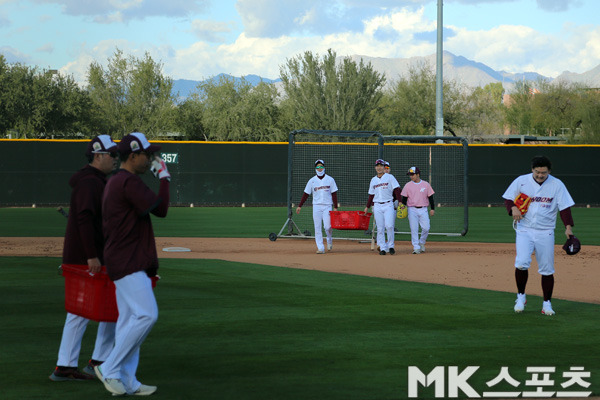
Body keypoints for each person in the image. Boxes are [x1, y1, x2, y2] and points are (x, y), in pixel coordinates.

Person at [95, 132, 171, 396]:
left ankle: (128, 381)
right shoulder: (127, 181)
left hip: (122, 259)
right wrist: (163, 177)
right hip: (127, 261)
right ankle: (110, 367)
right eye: (147, 154)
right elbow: (161, 209)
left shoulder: (119, 181)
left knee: (130, 322)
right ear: (134, 155)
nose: (151, 158)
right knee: (147, 315)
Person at [50, 135, 118, 382]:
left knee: (85, 312)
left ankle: (67, 365)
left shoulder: (93, 181)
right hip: (87, 258)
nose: (115, 159)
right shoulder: (90, 183)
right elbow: (85, 220)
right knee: (108, 307)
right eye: (112, 154)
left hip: (86, 256)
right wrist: (92, 256)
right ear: (98, 155)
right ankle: (95, 362)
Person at [502, 155, 575, 316]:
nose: (540, 175)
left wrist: (568, 228)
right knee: (521, 263)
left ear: (549, 171)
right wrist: (512, 208)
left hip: (546, 231)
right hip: (524, 229)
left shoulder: (557, 185)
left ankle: (547, 303)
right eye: (537, 172)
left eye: (543, 172)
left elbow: (564, 208)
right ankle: (521, 296)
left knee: (547, 269)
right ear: (532, 170)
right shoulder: (521, 181)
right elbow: (508, 198)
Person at [296, 159, 339, 253]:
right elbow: (306, 194)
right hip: (316, 206)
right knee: (317, 227)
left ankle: (329, 239)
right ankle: (320, 248)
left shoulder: (330, 179)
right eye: (318, 167)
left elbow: (334, 194)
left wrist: (335, 207)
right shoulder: (312, 181)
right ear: (315, 168)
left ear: (324, 167)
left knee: (328, 226)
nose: (319, 169)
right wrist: (300, 206)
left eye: (321, 166)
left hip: (327, 206)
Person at [365, 159, 401, 255]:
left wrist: (400, 201)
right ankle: (382, 248)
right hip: (377, 205)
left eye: (381, 166)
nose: (379, 167)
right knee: (380, 228)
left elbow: (397, 189)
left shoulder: (389, 177)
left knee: (389, 226)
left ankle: (391, 246)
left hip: (388, 204)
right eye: (378, 166)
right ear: (375, 167)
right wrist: (367, 206)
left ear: (384, 167)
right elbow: (371, 195)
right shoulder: (373, 180)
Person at [400, 166, 435, 254]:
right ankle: (416, 247)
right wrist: (403, 206)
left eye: (413, 174)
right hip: (412, 209)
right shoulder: (408, 185)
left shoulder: (426, 184)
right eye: (410, 175)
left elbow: (431, 197)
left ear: (418, 174)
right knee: (414, 229)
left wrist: (432, 208)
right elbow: (404, 198)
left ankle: (421, 242)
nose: (411, 176)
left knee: (426, 228)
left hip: (423, 209)